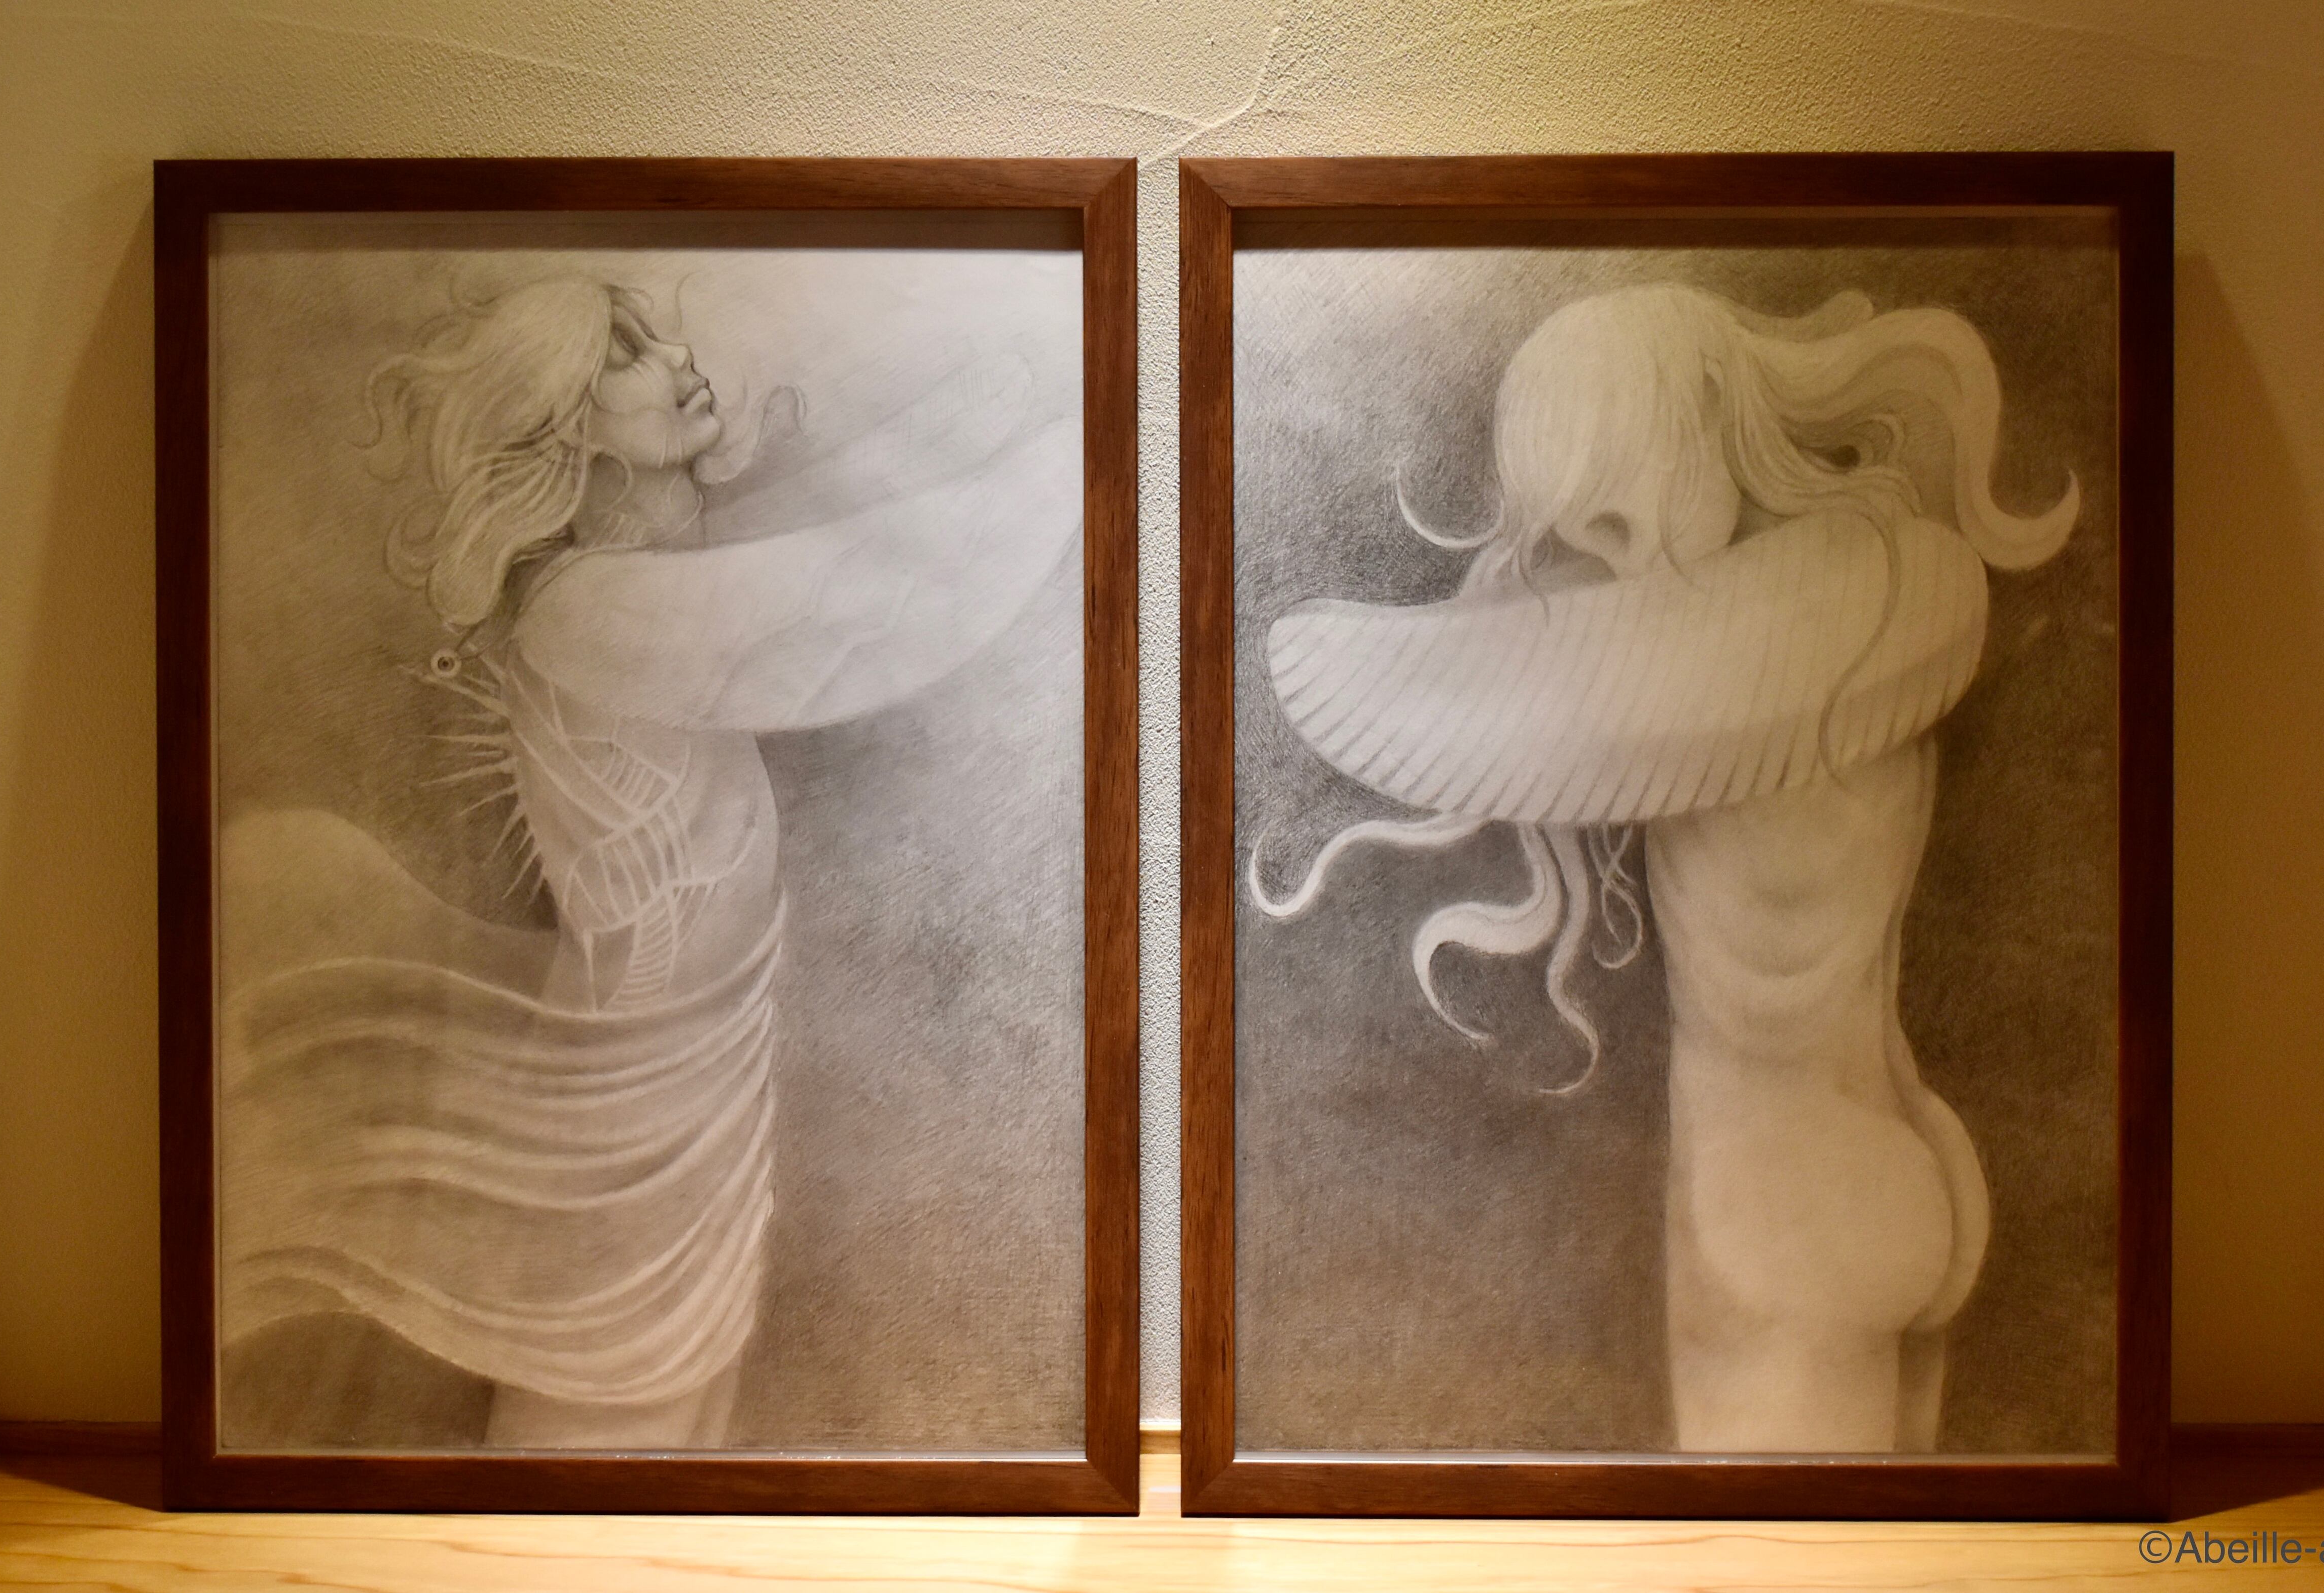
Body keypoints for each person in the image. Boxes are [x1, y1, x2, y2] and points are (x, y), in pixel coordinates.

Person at [218, 274, 1079, 1448]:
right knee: (615, 1400)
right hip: (639, 1095)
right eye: (626, 352)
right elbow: (858, 592)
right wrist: (1067, 454)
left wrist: (975, 428)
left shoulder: (620, 581)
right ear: (570, 425)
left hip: (691, 1064)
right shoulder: (587, 611)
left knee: (674, 1394)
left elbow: (815, 547)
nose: (676, 355)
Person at [1253, 282, 2076, 1451]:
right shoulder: (1886, 593)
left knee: (1778, 1556)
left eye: (1613, 484)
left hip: (1779, 1214)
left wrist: (1334, 657)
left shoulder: (1757, 648)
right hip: (1890, 1149)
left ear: (1703, 418)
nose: (1603, 541)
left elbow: (1427, 700)